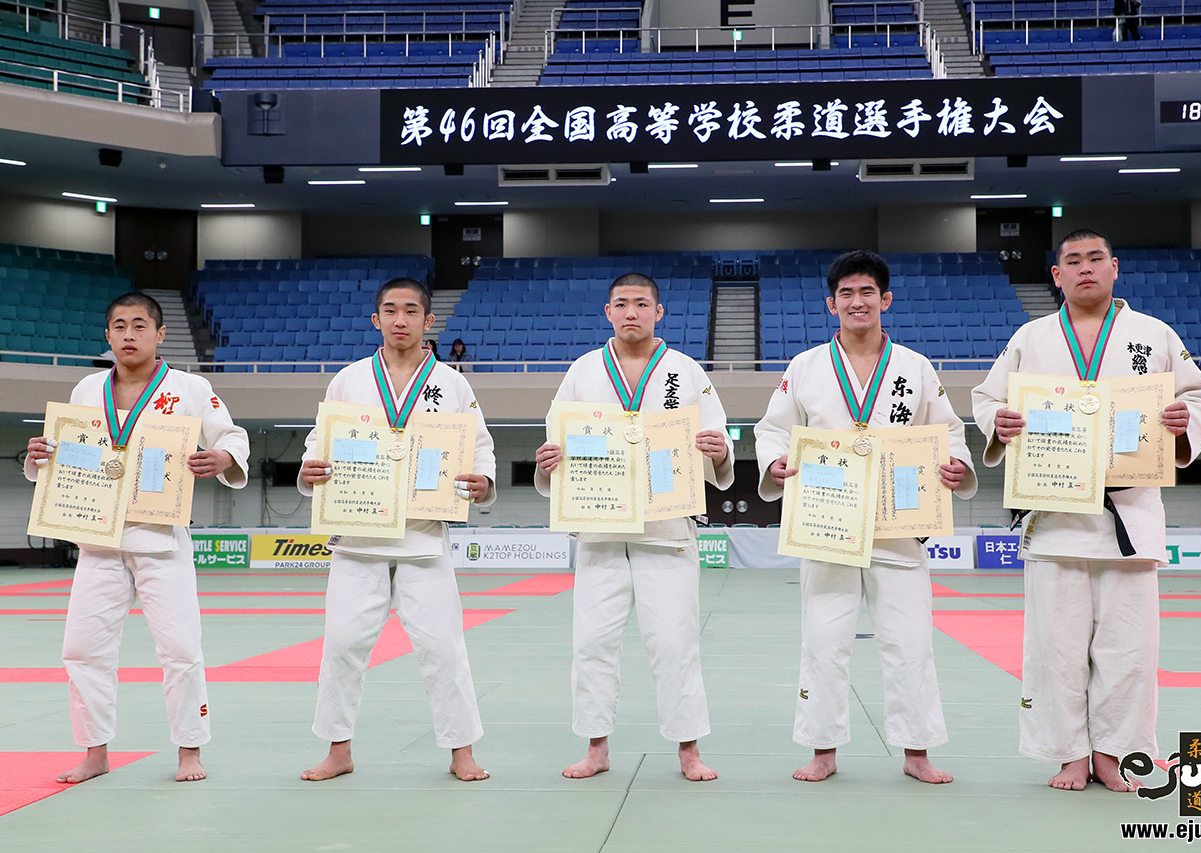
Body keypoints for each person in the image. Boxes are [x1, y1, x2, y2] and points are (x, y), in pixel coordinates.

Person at [971, 229, 1201, 791]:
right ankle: (1069, 753)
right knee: (1055, 647)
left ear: (1115, 268)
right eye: (1072, 261)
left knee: (1129, 647)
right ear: (1056, 275)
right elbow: (988, 398)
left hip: (1129, 515)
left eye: (1095, 259)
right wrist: (998, 422)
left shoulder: (1152, 335)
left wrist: (1183, 423)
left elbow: (1197, 396)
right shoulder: (1031, 337)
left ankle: (1113, 752)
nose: (1085, 268)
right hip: (1055, 516)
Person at [754, 250, 976, 785]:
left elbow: (948, 431)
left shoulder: (916, 367)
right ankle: (822, 749)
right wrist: (775, 462)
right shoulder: (805, 366)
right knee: (824, 641)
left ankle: (917, 752)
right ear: (832, 304)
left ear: (886, 300)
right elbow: (771, 429)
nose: (858, 301)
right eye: (847, 293)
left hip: (899, 524)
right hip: (827, 522)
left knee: (911, 642)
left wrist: (957, 464)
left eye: (867, 292)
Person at [25, 292, 250, 784]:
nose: (129, 334)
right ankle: (95, 752)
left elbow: (232, 435)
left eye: (139, 326)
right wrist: (42, 453)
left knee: (180, 648)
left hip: (161, 539)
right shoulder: (87, 388)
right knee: (83, 649)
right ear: (107, 336)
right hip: (96, 539)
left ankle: (189, 751)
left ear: (160, 333)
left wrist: (225, 459)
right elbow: (68, 452)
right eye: (120, 326)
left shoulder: (189, 388)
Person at [534, 272, 734, 782]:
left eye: (641, 304)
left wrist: (721, 451)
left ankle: (689, 751)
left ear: (658, 312)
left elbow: (718, 442)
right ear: (607, 312)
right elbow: (556, 441)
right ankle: (596, 747)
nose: (631, 312)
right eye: (621, 304)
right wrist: (547, 461)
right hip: (600, 533)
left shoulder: (687, 372)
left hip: (667, 534)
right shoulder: (582, 371)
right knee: (592, 645)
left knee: (675, 643)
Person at [297, 277, 495, 783]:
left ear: (429, 321)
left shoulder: (451, 383)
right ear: (376, 319)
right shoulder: (348, 380)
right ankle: (338, 750)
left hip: (423, 539)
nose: (400, 319)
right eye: (390, 310)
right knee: (341, 646)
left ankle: (461, 752)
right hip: (357, 539)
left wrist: (484, 480)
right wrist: (307, 471)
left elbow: (480, 446)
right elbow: (320, 442)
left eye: (411, 311)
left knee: (443, 648)